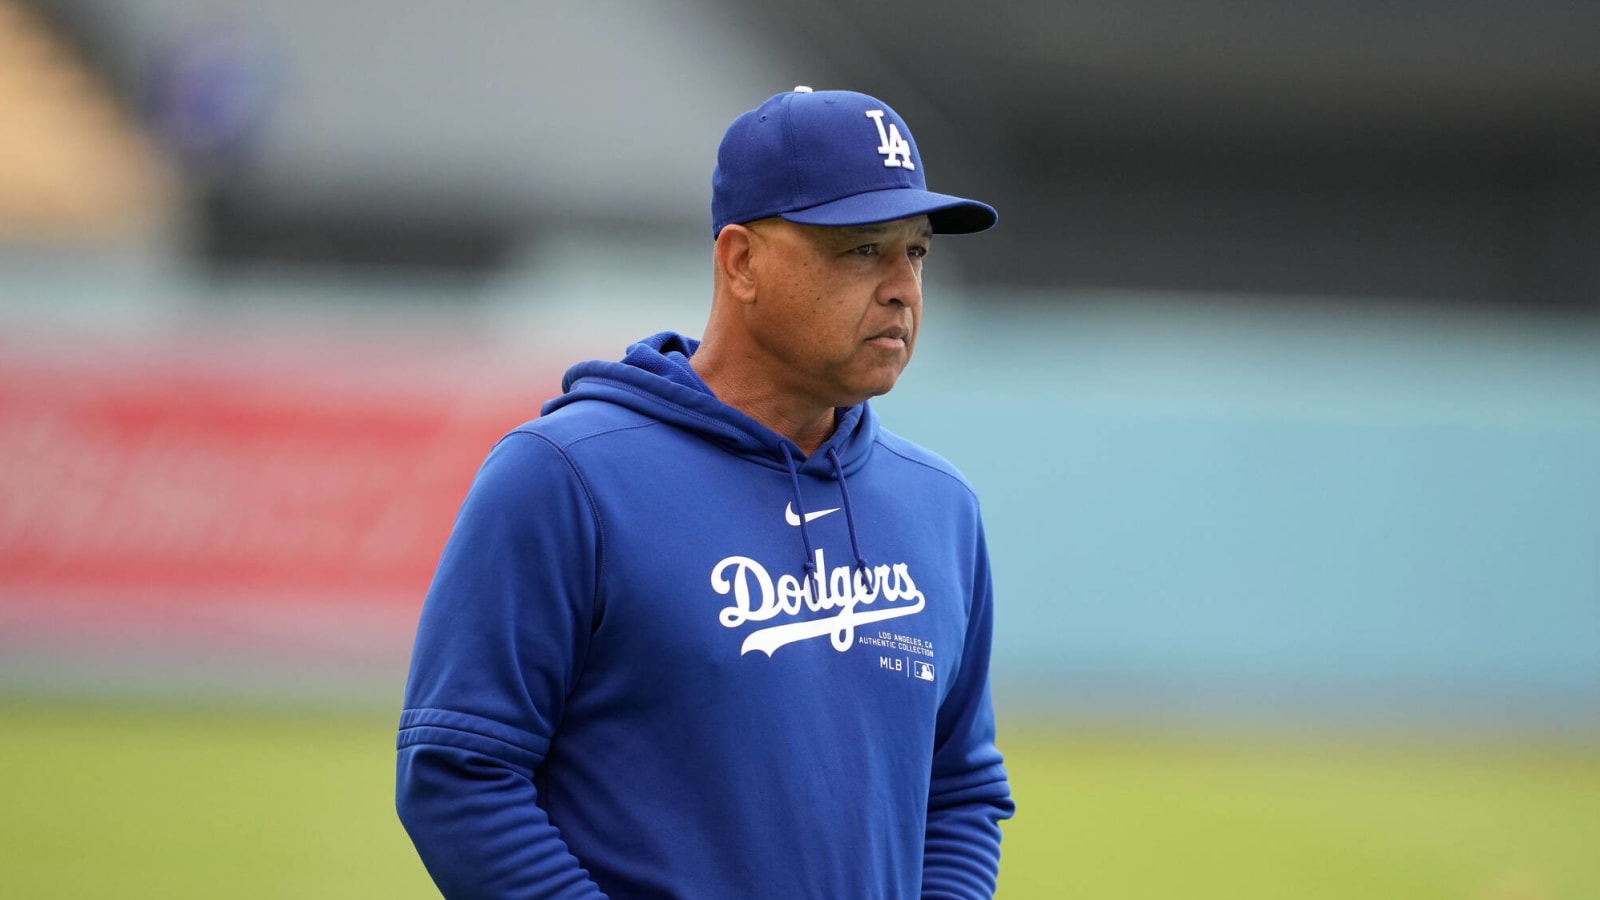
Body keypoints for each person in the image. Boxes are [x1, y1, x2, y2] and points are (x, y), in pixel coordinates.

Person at [395, 86, 1013, 899]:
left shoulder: (939, 507)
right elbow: (460, 773)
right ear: (741, 262)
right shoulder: (567, 477)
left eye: (918, 251)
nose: (903, 286)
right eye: (862, 250)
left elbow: (961, 791)